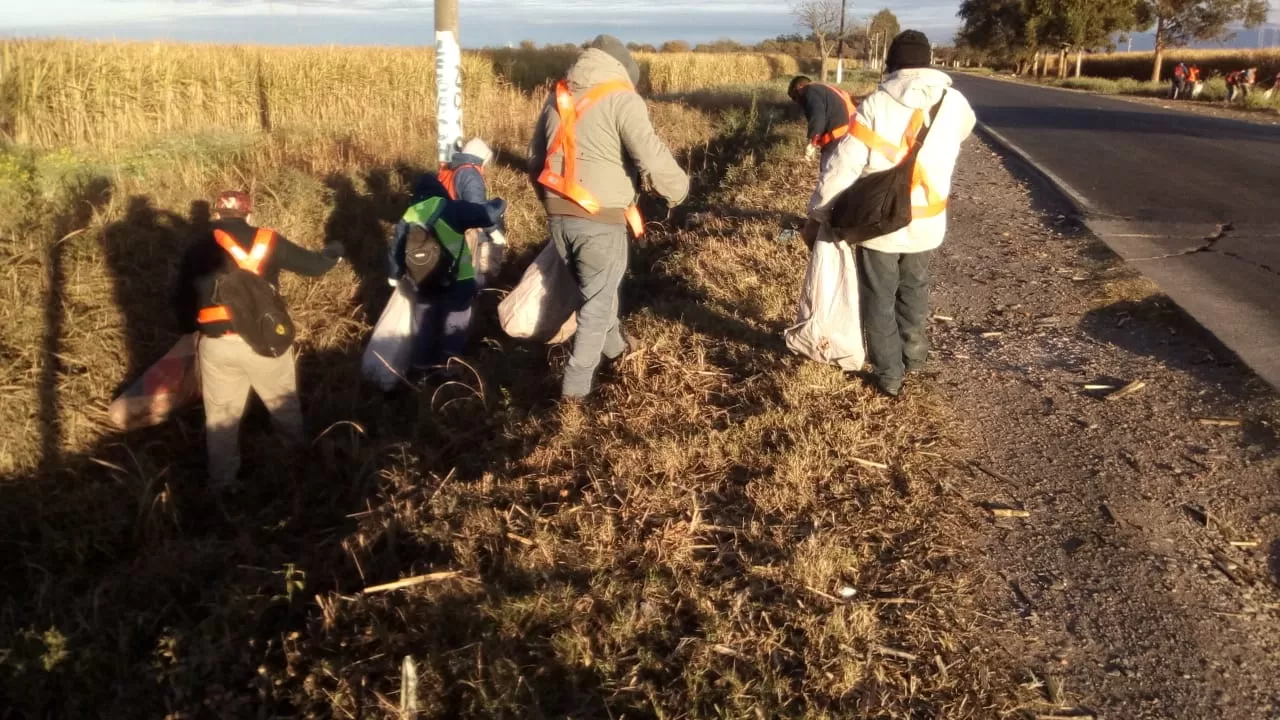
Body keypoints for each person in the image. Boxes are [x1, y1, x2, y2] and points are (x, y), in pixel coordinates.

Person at [804, 30, 976, 397]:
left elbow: (843, 167)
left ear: (892, 63)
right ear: (927, 60)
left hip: (879, 222)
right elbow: (964, 131)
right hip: (928, 219)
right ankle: (915, 360)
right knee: (914, 287)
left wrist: (817, 213)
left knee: (878, 297)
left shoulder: (878, 104)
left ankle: (889, 377)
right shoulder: (955, 102)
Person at [528, 34, 689, 401]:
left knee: (597, 292)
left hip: (559, 214)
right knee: (597, 306)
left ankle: (619, 352)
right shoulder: (622, 98)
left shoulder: (560, 97)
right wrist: (677, 191)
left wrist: (551, 202)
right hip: (601, 218)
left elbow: (535, 161)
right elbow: (650, 154)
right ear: (623, 69)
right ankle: (574, 394)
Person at [173, 190, 343, 489]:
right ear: (249, 214)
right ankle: (297, 473)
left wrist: (192, 330)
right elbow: (315, 267)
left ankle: (223, 485)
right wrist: (333, 252)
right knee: (284, 409)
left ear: (217, 215)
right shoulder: (267, 240)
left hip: (216, 346)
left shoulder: (197, 247)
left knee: (221, 419)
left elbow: (181, 302)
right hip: (266, 343)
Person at [387, 175, 505, 373]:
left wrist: (394, 275)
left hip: (423, 282)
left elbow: (395, 249)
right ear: (439, 190)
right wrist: (500, 203)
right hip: (459, 280)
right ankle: (449, 372)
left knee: (423, 326)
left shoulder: (409, 214)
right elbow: (487, 215)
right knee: (454, 326)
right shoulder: (450, 208)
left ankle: (421, 370)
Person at [438, 138, 507, 288]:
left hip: (452, 225)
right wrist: (494, 231)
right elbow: (477, 210)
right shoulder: (470, 174)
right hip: (467, 232)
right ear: (479, 157)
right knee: (470, 273)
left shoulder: (457, 168)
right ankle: (479, 294)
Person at [788, 75, 858, 163]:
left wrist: (813, 142)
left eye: (794, 97)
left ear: (799, 88)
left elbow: (817, 115)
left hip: (838, 138)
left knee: (829, 172)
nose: (797, 102)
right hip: (850, 134)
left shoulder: (809, 90)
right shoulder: (826, 90)